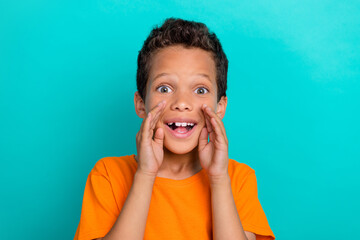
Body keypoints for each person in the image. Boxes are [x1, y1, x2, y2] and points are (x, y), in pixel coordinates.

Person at [74, 18, 275, 240]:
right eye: (165, 88)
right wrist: (145, 173)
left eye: (200, 90)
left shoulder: (238, 179)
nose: (182, 102)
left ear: (220, 107)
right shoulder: (108, 175)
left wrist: (218, 179)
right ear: (141, 103)